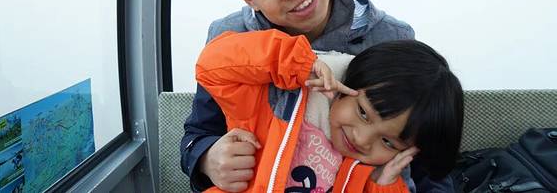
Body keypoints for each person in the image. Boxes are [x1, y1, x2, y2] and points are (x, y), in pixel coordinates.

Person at [180, 0, 449, 192]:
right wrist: (208, 158)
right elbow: (199, 133)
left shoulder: (391, 37)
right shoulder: (228, 39)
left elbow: (426, 163)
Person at [195, 29, 464, 192]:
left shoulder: (373, 174)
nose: (362, 139)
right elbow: (211, 64)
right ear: (347, 84)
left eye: (387, 141)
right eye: (363, 113)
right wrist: (298, 64)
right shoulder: (272, 104)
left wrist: (384, 186)